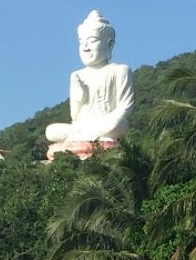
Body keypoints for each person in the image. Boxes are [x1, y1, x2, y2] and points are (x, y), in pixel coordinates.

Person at [45, 11, 135, 159]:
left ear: (109, 44)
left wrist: (95, 125)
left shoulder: (120, 70)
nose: (85, 47)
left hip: (107, 125)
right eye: (81, 42)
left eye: (92, 40)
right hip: (82, 126)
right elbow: (75, 115)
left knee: (119, 123)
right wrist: (81, 97)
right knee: (51, 131)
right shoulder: (77, 75)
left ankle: (82, 138)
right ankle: (85, 137)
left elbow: (126, 108)